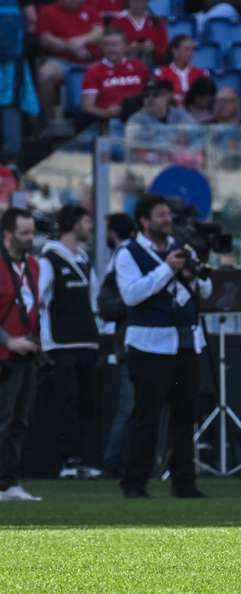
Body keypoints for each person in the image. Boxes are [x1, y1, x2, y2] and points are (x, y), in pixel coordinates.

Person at [115, 193, 212, 499]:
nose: (167, 219)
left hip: (185, 342)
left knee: (185, 417)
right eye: (160, 215)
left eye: (168, 214)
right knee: (147, 416)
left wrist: (192, 272)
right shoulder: (128, 252)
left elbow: (206, 291)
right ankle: (135, 483)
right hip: (148, 345)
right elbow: (131, 295)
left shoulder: (179, 249)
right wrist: (167, 269)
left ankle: (184, 483)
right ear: (144, 221)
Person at [38, 204, 102, 480]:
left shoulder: (85, 260)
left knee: (86, 403)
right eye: (87, 221)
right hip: (60, 343)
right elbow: (38, 300)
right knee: (67, 401)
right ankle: (67, 461)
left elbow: (94, 300)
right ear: (73, 223)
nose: (90, 227)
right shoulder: (48, 260)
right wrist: (42, 339)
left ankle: (81, 459)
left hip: (86, 341)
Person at [0, 208, 41, 502]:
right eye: (24, 233)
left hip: (27, 353)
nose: (30, 238)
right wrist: (9, 341)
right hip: (5, 354)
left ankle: (9, 482)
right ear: (8, 234)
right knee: (4, 419)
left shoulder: (34, 266)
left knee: (19, 421)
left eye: (32, 232)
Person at [101, 212, 135, 477]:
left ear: (112, 232)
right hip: (132, 341)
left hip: (128, 341)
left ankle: (116, 462)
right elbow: (109, 303)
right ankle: (115, 462)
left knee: (129, 407)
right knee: (129, 407)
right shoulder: (127, 256)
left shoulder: (121, 257)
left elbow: (106, 300)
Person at [36, 0, 103, 119]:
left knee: (109, 71)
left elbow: (99, 32)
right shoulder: (47, 12)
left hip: (91, 59)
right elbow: (45, 38)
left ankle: (100, 115)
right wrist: (70, 46)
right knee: (45, 75)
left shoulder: (89, 9)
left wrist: (81, 41)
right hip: (61, 60)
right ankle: (49, 117)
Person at [80, 27, 149, 122]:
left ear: (125, 47)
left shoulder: (139, 67)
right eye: (106, 45)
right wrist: (105, 113)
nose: (111, 49)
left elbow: (151, 95)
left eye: (115, 45)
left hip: (142, 118)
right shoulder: (94, 71)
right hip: (110, 120)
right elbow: (87, 107)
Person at [0, 0, 39, 165]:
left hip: (11, 68)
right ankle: (11, 167)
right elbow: (32, 19)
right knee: (11, 111)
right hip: (12, 71)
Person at [125, 78, 195, 144]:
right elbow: (140, 143)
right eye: (146, 95)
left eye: (155, 95)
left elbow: (197, 133)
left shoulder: (180, 114)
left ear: (167, 97)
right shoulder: (136, 119)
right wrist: (174, 138)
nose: (150, 98)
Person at [153, 35, 210, 107]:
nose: (191, 53)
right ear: (175, 51)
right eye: (187, 49)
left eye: (193, 49)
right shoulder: (161, 74)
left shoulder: (202, 74)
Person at [110, 0, 169, 66]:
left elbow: (165, 50)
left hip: (151, 64)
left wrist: (153, 49)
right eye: (135, 1)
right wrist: (128, 48)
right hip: (124, 65)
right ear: (129, 2)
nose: (138, 4)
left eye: (142, 1)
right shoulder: (118, 21)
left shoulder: (156, 21)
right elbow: (110, 47)